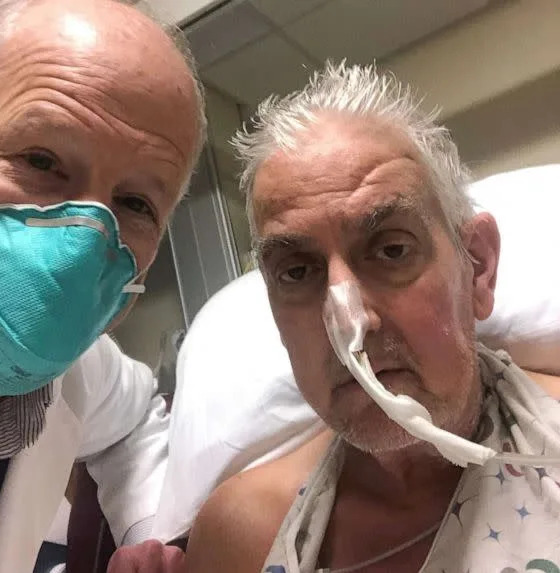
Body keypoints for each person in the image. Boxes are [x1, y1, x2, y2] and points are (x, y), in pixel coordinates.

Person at [185, 63, 560, 572]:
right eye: (297, 271)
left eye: (390, 250)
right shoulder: (241, 537)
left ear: (477, 268)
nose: (351, 324)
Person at [0, 0, 205, 571]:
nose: (84, 242)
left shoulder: (81, 374)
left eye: (136, 203)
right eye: (41, 159)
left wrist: (149, 537)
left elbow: (135, 422)